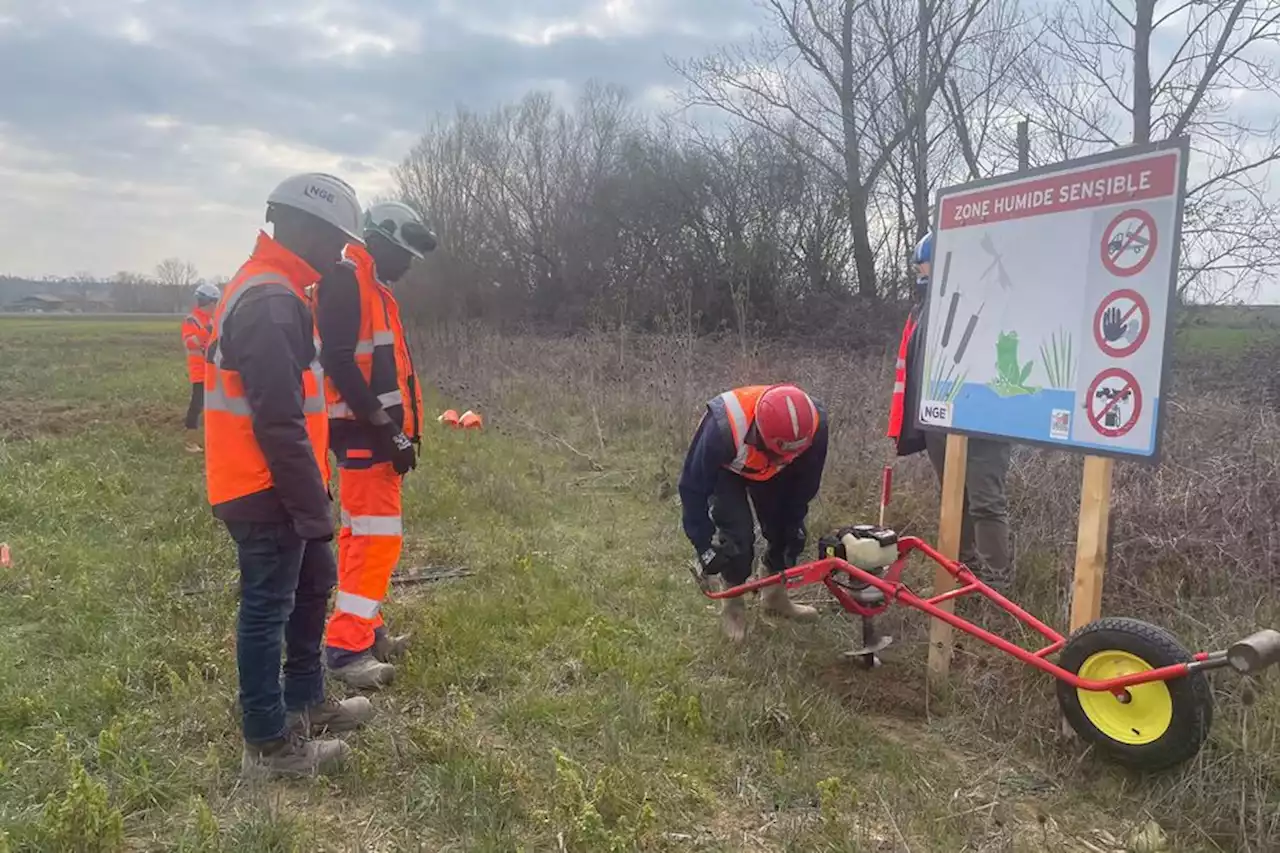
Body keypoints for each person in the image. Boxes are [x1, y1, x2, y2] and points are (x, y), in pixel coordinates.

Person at [204, 172, 371, 780]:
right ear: (301, 229)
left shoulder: (278, 289)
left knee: (309, 586)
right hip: (263, 486)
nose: (340, 254)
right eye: (335, 241)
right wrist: (310, 505)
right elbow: (277, 421)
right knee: (267, 609)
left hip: (276, 484)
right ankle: (268, 745)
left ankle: (305, 700)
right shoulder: (271, 301)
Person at [315, 201, 436, 690]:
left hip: (372, 434)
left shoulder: (373, 288)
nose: (408, 266)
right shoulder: (346, 282)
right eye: (403, 254)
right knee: (376, 541)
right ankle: (346, 650)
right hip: (365, 435)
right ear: (378, 241)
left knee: (358, 537)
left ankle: (366, 628)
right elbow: (341, 366)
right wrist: (390, 430)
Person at [889, 231, 1013, 589]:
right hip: (938, 418)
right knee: (953, 498)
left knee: (986, 501)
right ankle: (961, 575)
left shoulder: (986, 298)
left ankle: (995, 584)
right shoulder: (923, 308)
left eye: (923, 260)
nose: (918, 267)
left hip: (985, 419)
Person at [678, 384, 829, 642]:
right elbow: (692, 489)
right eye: (779, 454)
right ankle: (733, 605)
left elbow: (805, 484)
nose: (783, 460)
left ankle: (774, 597)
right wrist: (703, 546)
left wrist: (791, 523)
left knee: (788, 531)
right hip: (729, 470)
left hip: (774, 471)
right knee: (738, 538)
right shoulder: (721, 430)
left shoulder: (815, 426)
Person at [180, 282, 220, 451]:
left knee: (215, 405)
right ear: (210, 302)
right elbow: (190, 343)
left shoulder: (212, 319)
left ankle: (211, 438)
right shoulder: (192, 320)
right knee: (197, 405)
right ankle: (190, 441)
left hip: (214, 369)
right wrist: (208, 330)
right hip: (199, 371)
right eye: (215, 303)